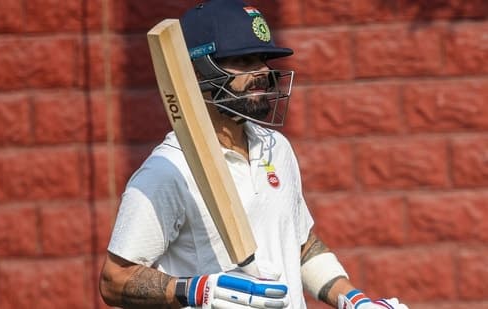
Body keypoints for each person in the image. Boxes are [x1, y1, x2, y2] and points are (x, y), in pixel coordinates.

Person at [99, 1, 409, 308]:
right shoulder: (168, 170)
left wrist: (354, 300)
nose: (262, 72)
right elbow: (114, 280)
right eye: (244, 60)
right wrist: (196, 290)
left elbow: (298, 244)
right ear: (197, 71)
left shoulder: (276, 147)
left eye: (262, 59)